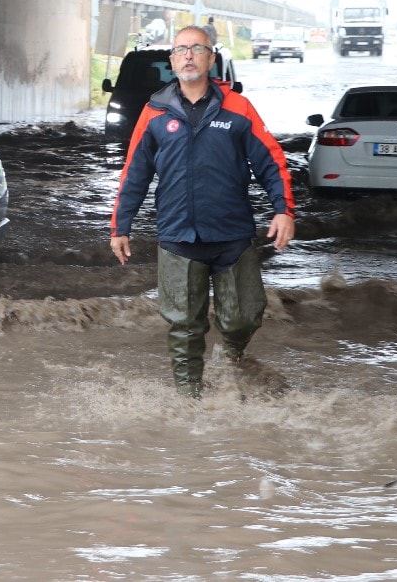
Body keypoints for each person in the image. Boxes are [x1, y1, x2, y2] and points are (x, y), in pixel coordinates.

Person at [110, 25, 295, 399]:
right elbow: (135, 172)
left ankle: (231, 354)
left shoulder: (238, 109)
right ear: (173, 60)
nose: (189, 55)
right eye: (181, 49)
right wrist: (120, 227)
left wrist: (284, 210)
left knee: (243, 317)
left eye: (197, 48)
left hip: (233, 234)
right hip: (178, 235)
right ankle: (189, 397)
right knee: (183, 325)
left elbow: (271, 161)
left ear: (212, 59)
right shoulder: (155, 113)